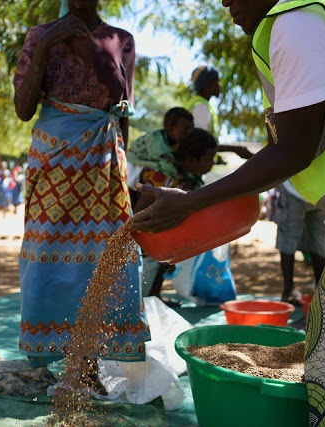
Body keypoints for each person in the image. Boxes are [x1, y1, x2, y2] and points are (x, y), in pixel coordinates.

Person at [133, 0, 325, 425]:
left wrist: (192, 203)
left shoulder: (294, 26)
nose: (225, 2)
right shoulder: (308, 19)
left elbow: (294, 149)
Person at [13, 0, 149, 389]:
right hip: (54, 159)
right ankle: (52, 354)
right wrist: (44, 47)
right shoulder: (41, 35)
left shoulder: (121, 40)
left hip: (104, 161)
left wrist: (124, 175)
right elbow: (23, 109)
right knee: (47, 255)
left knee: (104, 257)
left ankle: (86, 366)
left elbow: (124, 112)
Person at [133, 128, 217, 304]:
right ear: (193, 159)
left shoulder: (188, 178)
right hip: (144, 237)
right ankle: (145, 302)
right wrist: (153, 244)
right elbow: (139, 214)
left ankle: (155, 297)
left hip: (162, 236)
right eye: (209, 159)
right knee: (145, 277)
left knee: (163, 265)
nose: (212, 164)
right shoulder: (162, 175)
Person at [274, 180, 325, 305]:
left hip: (294, 188)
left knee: (288, 236)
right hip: (320, 189)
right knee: (319, 239)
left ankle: (288, 290)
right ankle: (321, 293)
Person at [126, 107, 194, 205]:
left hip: (148, 168)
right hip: (134, 168)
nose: (189, 134)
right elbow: (167, 165)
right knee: (160, 177)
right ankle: (136, 215)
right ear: (170, 128)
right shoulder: (156, 139)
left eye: (191, 130)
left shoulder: (176, 144)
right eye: (185, 130)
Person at [185, 65, 254, 160]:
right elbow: (200, 143)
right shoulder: (201, 107)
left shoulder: (198, 104)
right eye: (216, 82)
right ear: (207, 84)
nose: (219, 86)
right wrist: (235, 149)